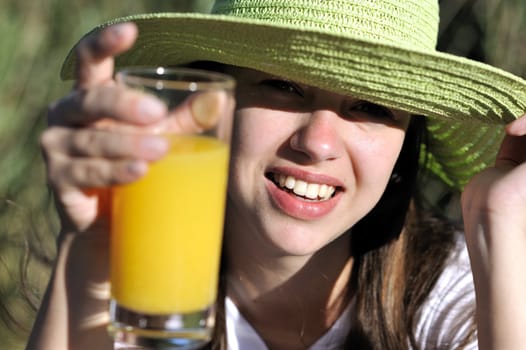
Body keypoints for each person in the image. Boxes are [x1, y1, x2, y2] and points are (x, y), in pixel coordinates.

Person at [26, 0, 526, 349]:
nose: (317, 143)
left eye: (371, 106)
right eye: (284, 86)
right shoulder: (144, 298)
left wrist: (497, 229)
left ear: (407, 144)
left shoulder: (461, 302)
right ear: (210, 103)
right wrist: (89, 250)